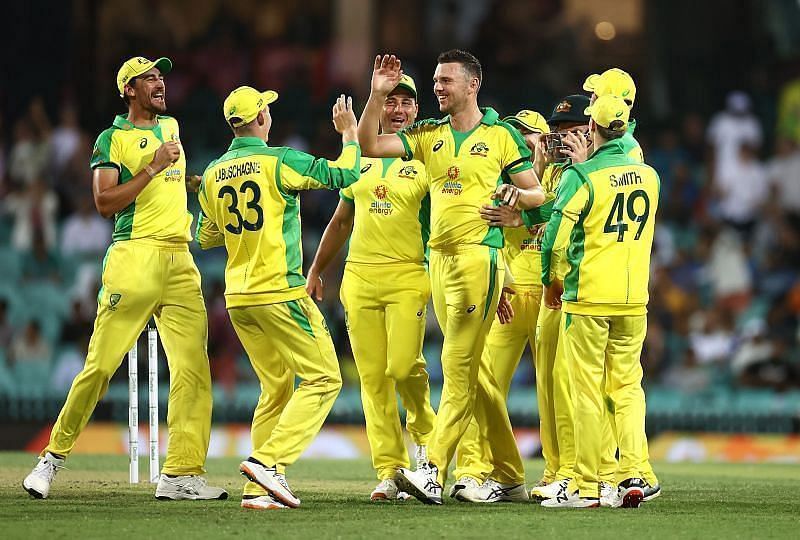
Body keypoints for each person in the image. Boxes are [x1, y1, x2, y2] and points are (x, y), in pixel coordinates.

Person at [23, 56, 226, 501]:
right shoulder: (111, 138)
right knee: (100, 366)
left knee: (193, 370)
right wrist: (152, 166)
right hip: (133, 259)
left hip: (179, 259)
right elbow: (104, 202)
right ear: (128, 90)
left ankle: (180, 476)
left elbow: (166, 187)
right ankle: (50, 460)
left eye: (161, 76)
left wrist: (192, 184)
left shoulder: (171, 127)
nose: (160, 82)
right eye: (149, 78)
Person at [358, 50, 545, 504]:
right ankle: (510, 474)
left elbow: (537, 192)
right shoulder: (428, 135)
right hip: (437, 260)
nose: (437, 87)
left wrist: (514, 206)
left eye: (446, 80)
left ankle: (433, 469)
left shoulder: (501, 137)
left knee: (456, 366)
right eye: (436, 80)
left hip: (478, 257)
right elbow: (369, 147)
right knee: (475, 372)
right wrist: (375, 94)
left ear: (472, 85)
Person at [195, 86, 361, 510]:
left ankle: (258, 489)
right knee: (326, 377)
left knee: (276, 385)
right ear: (261, 117)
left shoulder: (213, 172)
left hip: (239, 299)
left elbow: (206, 235)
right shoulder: (279, 160)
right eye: (266, 108)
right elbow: (344, 175)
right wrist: (349, 134)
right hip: (280, 291)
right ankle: (269, 461)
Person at [306, 75, 436, 502]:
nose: (398, 110)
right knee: (373, 379)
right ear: (377, 108)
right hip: (359, 278)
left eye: (406, 104)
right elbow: (342, 219)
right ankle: (390, 471)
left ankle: (428, 447)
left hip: (407, 275)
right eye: (390, 102)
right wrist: (316, 269)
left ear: (417, 111)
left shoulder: (427, 158)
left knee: (403, 367)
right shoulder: (356, 157)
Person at [539, 95, 660, 509]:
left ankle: (588, 486)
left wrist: (550, 281)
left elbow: (554, 238)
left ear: (591, 127)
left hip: (588, 298)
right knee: (627, 388)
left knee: (587, 392)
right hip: (633, 300)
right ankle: (633, 473)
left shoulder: (581, 176)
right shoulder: (651, 176)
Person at [477, 96, 591, 504]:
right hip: (516, 292)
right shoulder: (503, 178)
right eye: (517, 136)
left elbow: (564, 217)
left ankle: (575, 471)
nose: (524, 144)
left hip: (554, 291)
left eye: (532, 137)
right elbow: (489, 225)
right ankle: (482, 472)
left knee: (561, 386)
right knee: (486, 381)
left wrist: (527, 213)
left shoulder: (570, 174)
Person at [583, 67, 661, 503]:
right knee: (626, 385)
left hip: (595, 288)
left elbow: (580, 219)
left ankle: (604, 475)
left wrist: (578, 166)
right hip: (633, 291)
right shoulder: (643, 165)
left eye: (593, 96)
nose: (587, 101)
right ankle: (634, 471)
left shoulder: (606, 159)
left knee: (596, 386)